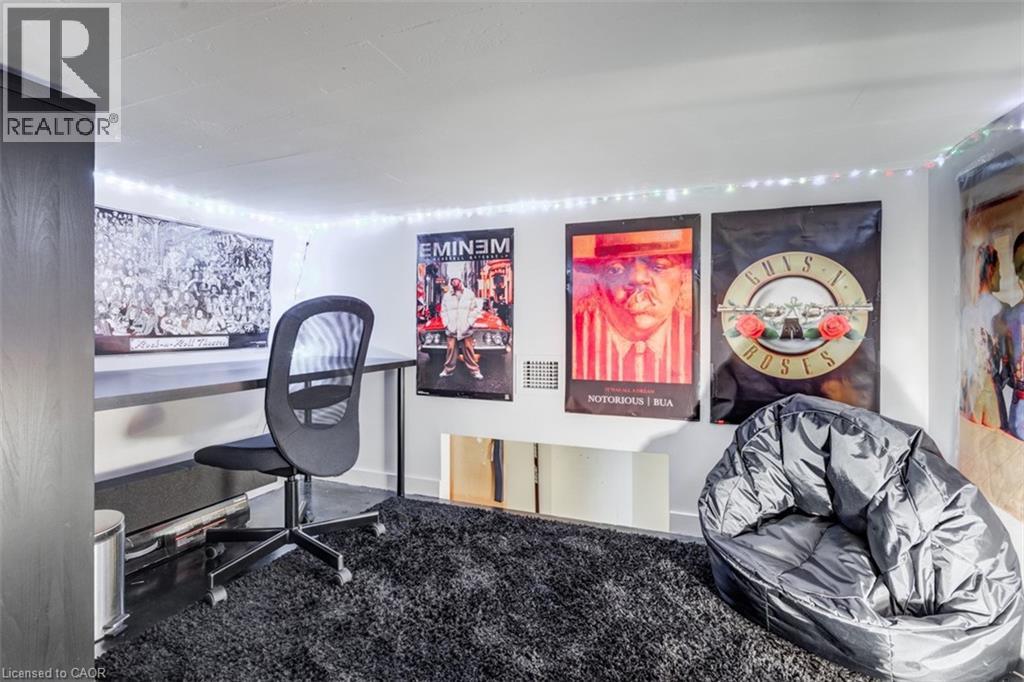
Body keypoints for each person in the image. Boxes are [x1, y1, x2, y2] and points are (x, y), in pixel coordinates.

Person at [572, 228, 692, 383]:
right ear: (597, 283)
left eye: (659, 266)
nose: (637, 278)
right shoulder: (571, 337)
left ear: (683, 276)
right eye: (615, 269)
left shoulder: (700, 335)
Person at [962, 243, 1008, 429]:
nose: (1000, 276)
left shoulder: (967, 311)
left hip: (972, 393)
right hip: (991, 392)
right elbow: (1006, 361)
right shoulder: (1000, 309)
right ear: (990, 269)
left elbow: (965, 358)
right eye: (998, 270)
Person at [439, 278, 483, 379]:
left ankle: (475, 371)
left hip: (465, 328)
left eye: (455, 280)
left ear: (460, 280)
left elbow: (475, 309)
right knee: (450, 350)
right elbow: (443, 311)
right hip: (452, 328)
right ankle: (448, 370)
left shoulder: (469, 294)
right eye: (452, 280)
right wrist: (447, 324)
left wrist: (469, 322)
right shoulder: (447, 296)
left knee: (468, 350)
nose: (453, 282)